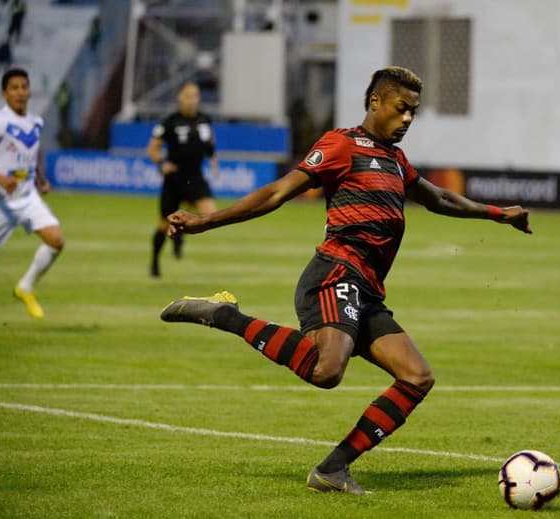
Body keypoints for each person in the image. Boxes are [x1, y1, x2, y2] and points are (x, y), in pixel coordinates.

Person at [159, 66, 532, 493]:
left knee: (416, 377)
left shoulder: (395, 160)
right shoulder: (341, 144)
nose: (408, 119)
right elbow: (278, 192)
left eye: (413, 112)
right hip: (336, 271)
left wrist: (498, 213)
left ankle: (332, 470)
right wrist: (205, 221)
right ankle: (226, 316)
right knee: (326, 369)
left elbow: (439, 197)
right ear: (376, 101)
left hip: (368, 288)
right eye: (401, 108)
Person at [0, 67, 65, 319]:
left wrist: (41, 179)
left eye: (24, 87)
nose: (21, 92)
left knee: (56, 240)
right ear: (5, 93)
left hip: (28, 196)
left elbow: (32, 156)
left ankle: (25, 287)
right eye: (15, 88)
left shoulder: (36, 121)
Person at [146, 81, 218, 277]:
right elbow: (152, 149)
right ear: (180, 98)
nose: (192, 100)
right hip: (174, 179)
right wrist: (161, 163)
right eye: (188, 96)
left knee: (210, 213)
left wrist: (213, 161)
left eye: (195, 96)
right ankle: (154, 263)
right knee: (163, 224)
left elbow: (210, 142)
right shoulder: (169, 121)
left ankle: (181, 230)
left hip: (195, 176)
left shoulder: (204, 120)